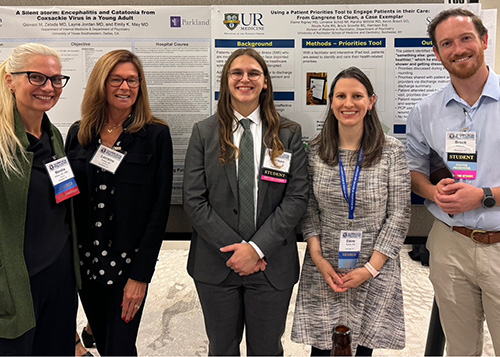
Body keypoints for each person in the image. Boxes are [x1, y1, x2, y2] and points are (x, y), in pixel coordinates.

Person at [183, 47, 309, 356]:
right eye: (236, 73)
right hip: (217, 265)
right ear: (226, 81)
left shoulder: (288, 134)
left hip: (271, 265)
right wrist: (237, 250)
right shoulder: (204, 132)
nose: (245, 79)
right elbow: (193, 199)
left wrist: (255, 249)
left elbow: (296, 197)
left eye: (253, 73)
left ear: (265, 82)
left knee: (266, 350)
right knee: (222, 349)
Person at [291, 67, 411, 356]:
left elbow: (399, 215)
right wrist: (318, 259)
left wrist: (370, 269)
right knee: (322, 347)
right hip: (325, 264)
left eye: (357, 96)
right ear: (331, 102)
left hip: (375, 263)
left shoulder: (392, 151)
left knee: (362, 348)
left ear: (371, 102)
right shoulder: (315, 150)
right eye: (341, 96)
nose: (349, 103)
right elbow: (309, 210)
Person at [65, 49, 173, 356]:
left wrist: (140, 276)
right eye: (116, 79)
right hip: (86, 265)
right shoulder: (79, 134)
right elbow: (67, 201)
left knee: (121, 348)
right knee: (102, 338)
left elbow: (159, 210)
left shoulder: (155, 135)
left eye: (132, 80)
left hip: (127, 268)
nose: (125, 87)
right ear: (101, 83)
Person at [406, 8, 500, 356]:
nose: (457, 49)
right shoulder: (425, 112)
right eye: (447, 43)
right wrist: (432, 191)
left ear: (484, 41)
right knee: (460, 349)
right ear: (437, 53)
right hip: (449, 246)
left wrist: (485, 196)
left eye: (465, 39)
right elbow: (414, 172)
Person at [0, 43, 79, 355]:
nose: (49, 87)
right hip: (15, 287)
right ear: (10, 80)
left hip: (58, 283)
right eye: (37, 77)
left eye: (56, 79)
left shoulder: (52, 136)